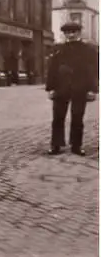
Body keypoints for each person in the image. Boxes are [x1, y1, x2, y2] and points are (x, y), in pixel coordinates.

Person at [45, 21, 99, 156]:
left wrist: (93, 89)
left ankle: (76, 145)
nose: (70, 35)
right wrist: (50, 88)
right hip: (60, 88)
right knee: (57, 118)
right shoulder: (58, 49)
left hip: (80, 88)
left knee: (77, 118)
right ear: (64, 34)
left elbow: (93, 70)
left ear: (79, 33)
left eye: (73, 32)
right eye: (67, 32)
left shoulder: (89, 50)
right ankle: (56, 145)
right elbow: (52, 70)